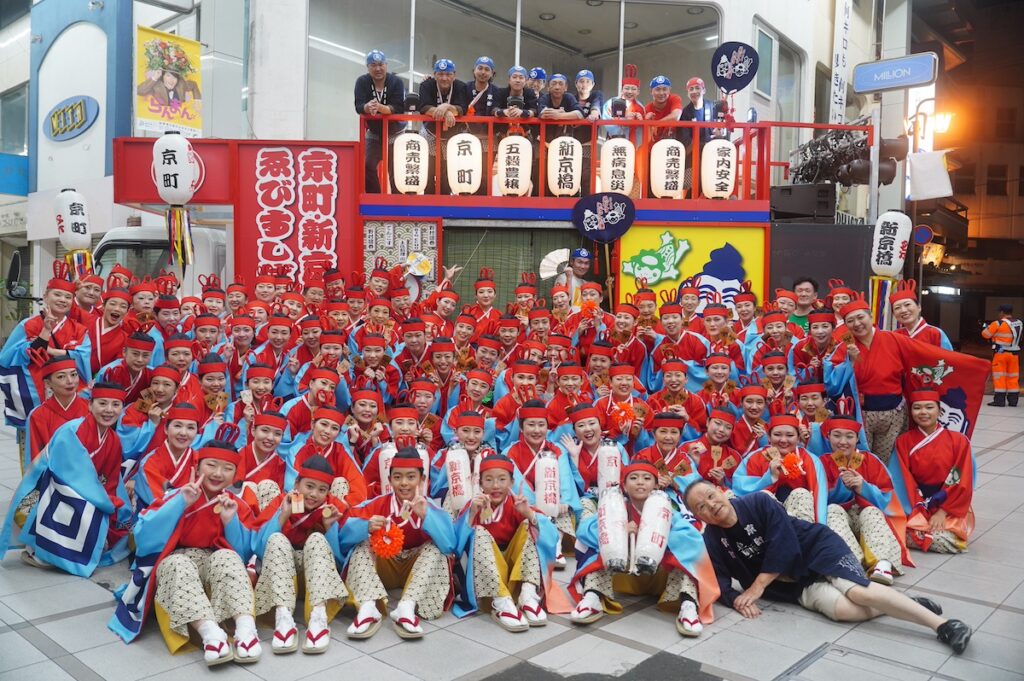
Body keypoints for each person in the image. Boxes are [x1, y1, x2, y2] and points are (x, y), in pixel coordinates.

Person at [685, 480, 972, 654]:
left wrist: (757, 585)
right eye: (701, 507)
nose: (710, 505)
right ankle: (905, 604)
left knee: (859, 593)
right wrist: (735, 599)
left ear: (721, 491)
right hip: (793, 584)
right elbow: (716, 580)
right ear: (700, 517)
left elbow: (784, 545)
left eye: (711, 496)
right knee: (845, 611)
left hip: (816, 549)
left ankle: (945, 626)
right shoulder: (713, 538)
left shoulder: (759, 502)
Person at [569, 462, 718, 637]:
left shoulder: (666, 509)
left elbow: (691, 537)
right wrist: (618, 530)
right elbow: (585, 530)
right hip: (621, 573)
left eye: (647, 478)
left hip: (659, 575)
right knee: (602, 547)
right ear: (624, 485)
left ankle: (688, 604)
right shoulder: (614, 508)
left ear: (656, 485)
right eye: (633, 478)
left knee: (685, 557)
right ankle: (592, 596)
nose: (640, 482)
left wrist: (660, 532)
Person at [452, 455, 559, 629]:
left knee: (529, 525)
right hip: (488, 578)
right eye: (489, 479)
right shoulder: (474, 506)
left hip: (516, 573)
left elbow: (552, 537)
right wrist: (471, 515)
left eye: (502, 479)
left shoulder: (517, 504)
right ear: (480, 483)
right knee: (478, 532)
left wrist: (528, 514)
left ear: (511, 482)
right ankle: (500, 601)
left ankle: (528, 594)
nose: (495, 486)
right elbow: (454, 547)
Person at [889, 390, 975, 553]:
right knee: (898, 527)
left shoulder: (959, 441)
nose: (923, 412)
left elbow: (961, 478)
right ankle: (923, 534)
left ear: (940, 411)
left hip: (948, 502)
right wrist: (919, 508)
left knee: (944, 535)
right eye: (917, 408)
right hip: (914, 502)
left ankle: (923, 536)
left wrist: (943, 511)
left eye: (929, 407)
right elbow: (902, 480)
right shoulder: (903, 441)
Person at [418, 58, 470, 195]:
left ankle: (445, 203)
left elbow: (462, 109)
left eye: (448, 74)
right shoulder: (426, 85)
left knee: (448, 172)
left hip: (452, 136)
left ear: (454, 75)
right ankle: (428, 205)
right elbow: (423, 107)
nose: (444, 78)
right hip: (431, 133)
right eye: (440, 74)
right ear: (434, 75)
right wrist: (447, 112)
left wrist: (446, 106)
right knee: (428, 169)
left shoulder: (461, 86)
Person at [889, 280, 952, 350]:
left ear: (919, 307)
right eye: (897, 308)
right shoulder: (895, 335)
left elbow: (948, 358)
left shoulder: (935, 333)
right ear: (894, 314)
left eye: (907, 304)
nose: (903, 310)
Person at [981, 303, 1021, 407]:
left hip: (1001, 355)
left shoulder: (997, 323)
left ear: (1002, 312)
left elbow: (985, 334)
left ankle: (999, 400)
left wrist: (989, 328)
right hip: (1014, 355)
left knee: (999, 377)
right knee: (1013, 377)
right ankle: (1013, 401)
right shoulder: (1019, 323)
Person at [678, 77, 723, 150]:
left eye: (697, 88)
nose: (694, 91)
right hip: (694, 151)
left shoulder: (713, 107)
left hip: (714, 150)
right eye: (691, 89)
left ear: (704, 90)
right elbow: (684, 138)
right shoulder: (685, 113)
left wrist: (720, 135)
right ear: (688, 93)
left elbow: (723, 131)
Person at [644, 76, 683, 144]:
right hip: (654, 148)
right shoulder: (647, 109)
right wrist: (647, 122)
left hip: (673, 146)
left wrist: (656, 124)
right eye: (657, 89)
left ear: (669, 90)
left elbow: (676, 116)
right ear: (651, 91)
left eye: (664, 89)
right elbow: (647, 140)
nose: (661, 93)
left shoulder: (674, 99)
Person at [553, 247, 593, 312]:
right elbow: (560, 301)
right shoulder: (563, 278)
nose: (583, 266)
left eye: (586, 263)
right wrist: (568, 279)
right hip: (569, 318)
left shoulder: (585, 283)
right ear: (572, 262)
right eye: (579, 262)